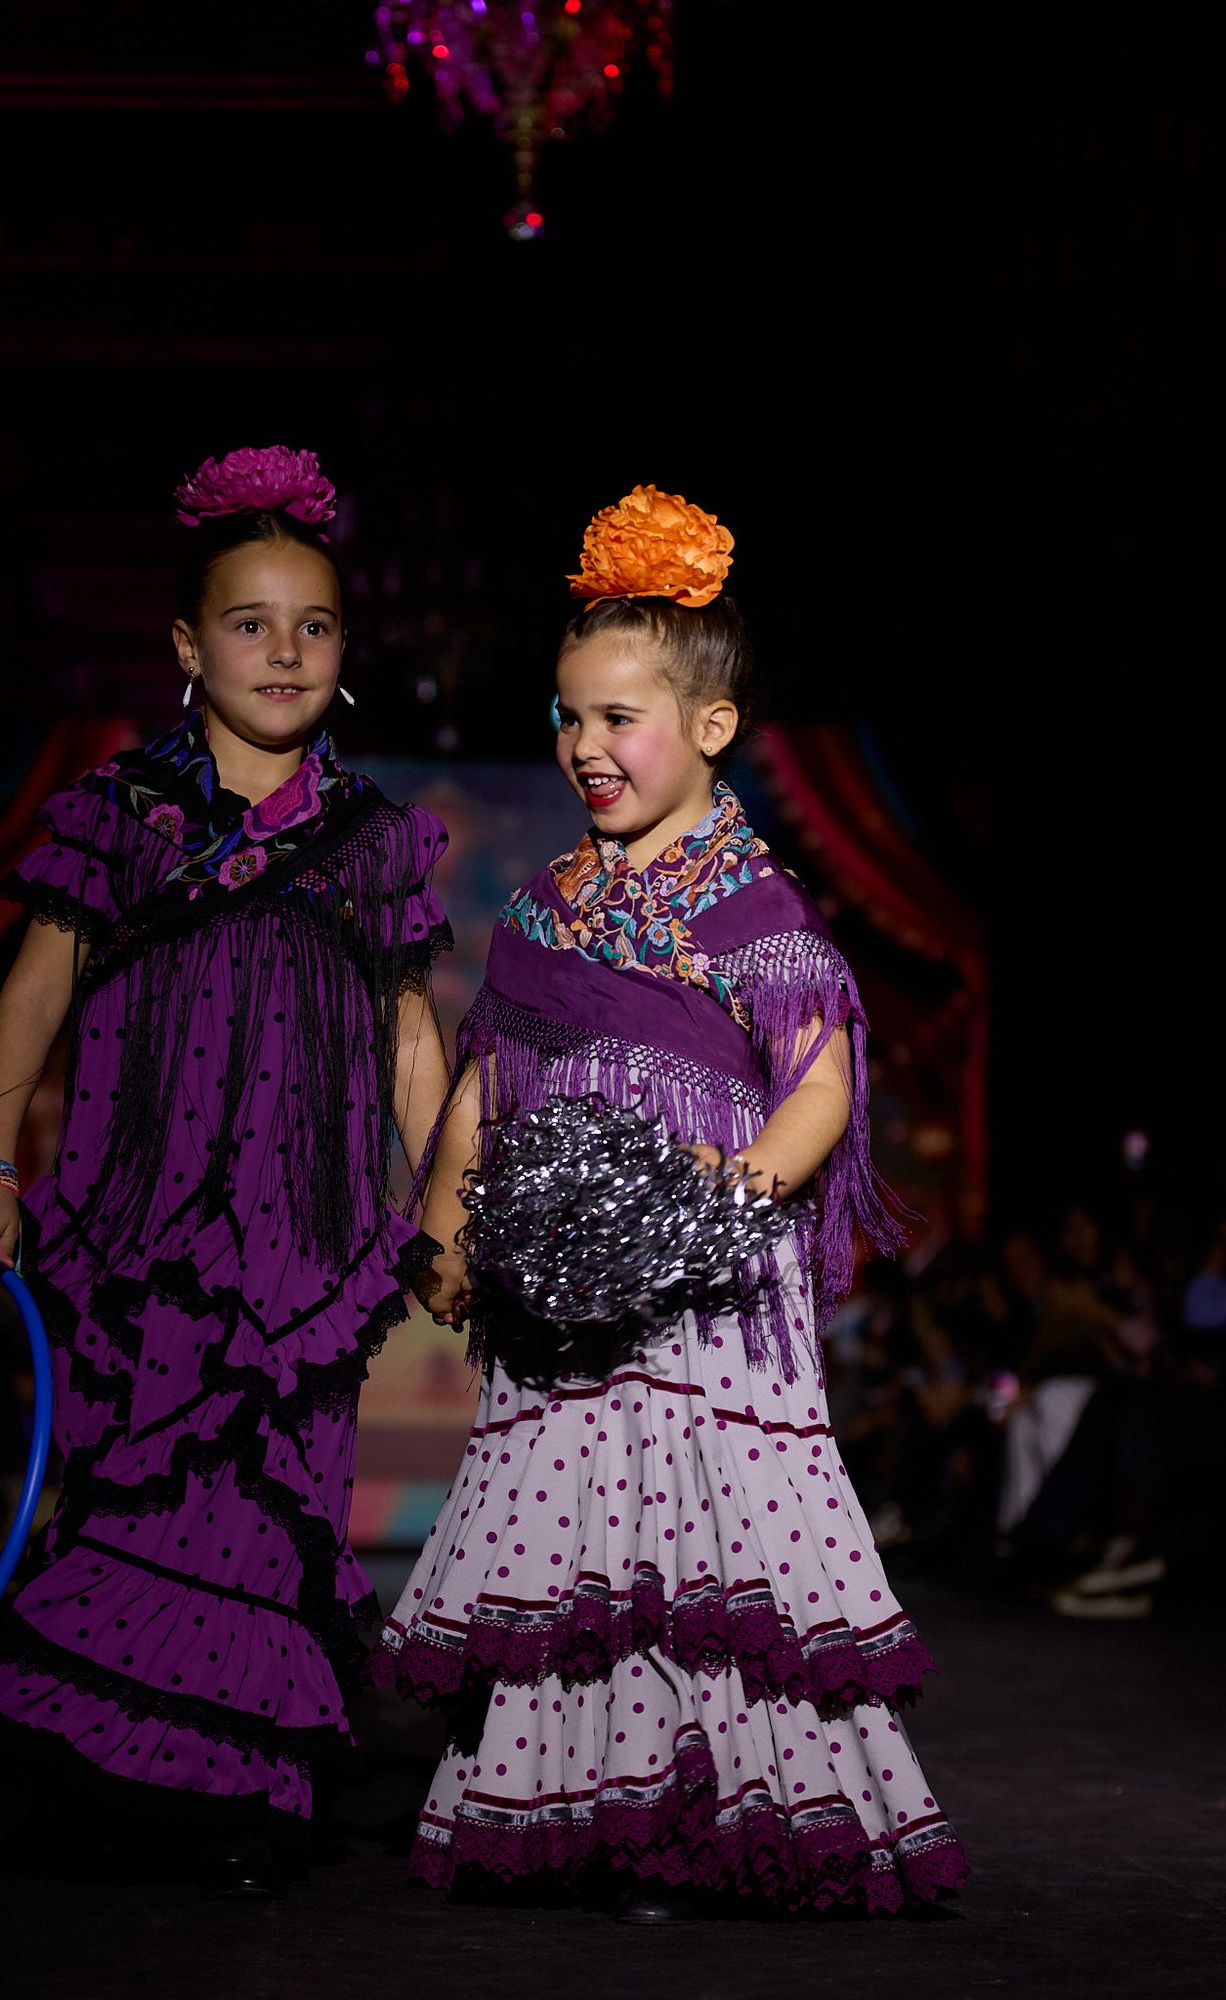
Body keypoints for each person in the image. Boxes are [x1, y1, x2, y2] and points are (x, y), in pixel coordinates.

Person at [378, 485, 969, 1919]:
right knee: (580, 1551)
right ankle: (578, 1814)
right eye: (569, 717)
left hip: (710, 1293)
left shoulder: (754, 903)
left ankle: (728, 1817)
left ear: (709, 728)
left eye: (619, 718)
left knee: (711, 1556)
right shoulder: (540, 912)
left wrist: (739, 1189)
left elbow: (822, 1087)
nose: (585, 747)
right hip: (564, 1301)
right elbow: (482, 1086)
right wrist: (446, 1225)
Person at [0, 446, 453, 1898]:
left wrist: (441, 1209)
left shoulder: (375, 841)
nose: (283, 652)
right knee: (121, 1493)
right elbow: (33, 997)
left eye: (314, 627)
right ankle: (98, 1780)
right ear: (185, 644)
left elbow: (412, 1039)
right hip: (134, 1221)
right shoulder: (117, 812)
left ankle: (238, 1789)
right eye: (249, 622)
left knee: (263, 1504)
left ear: (345, 654)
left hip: (302, 1242)